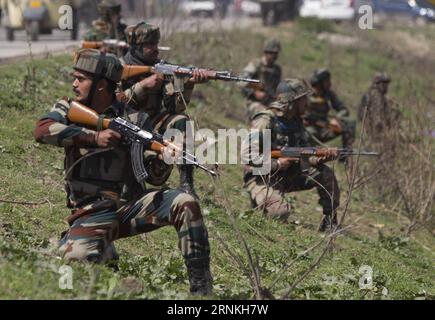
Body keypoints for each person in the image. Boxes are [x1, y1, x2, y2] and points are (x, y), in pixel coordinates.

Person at [33, 49, 213, 296]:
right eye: (75, 77)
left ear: (100, 86)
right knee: (77, 260)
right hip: (91, 211)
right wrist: (94, 136)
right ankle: (92, 249)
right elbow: (42, 131)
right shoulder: (68, 108)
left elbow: (153, 178)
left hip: (129, 208)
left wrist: (166, 158)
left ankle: (201, 289)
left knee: (185, 201)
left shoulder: (136, 119)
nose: (74, 83)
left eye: (81, 78)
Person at [120, 22, 209, 197]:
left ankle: (186, 184)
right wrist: (143, 86)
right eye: (149, 45)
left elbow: (174, 107)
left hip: (152, 127)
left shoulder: (163, 67)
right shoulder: (120, 67)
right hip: (124, 127)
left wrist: (188, 84)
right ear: (136, 47)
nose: (155, 49)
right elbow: (114, 102)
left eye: (156, 43)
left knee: (181, 120)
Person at [242, 79, 340, 232]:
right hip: (261, 177)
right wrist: (278, 164)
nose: (307, 103)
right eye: (303, 99)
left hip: (288, 175)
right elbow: (248, 156)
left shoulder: (296, 122)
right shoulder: (265, 120)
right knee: (280, 213)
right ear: (292, 101)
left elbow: (304, 153)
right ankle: (262, 203)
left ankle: (329, 222)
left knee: (326, 174)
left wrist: (321, 157)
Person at [304, 69, 356, 161]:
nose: (329, 83)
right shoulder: (306, 95)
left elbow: (343, 109)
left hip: (326, 127)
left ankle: (344, 158)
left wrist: (336, 119)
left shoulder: (328, 94)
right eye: (327, 81)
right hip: (310, 129)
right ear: (320, 83)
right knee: (305, 136)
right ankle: (309, 159)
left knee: (349, 124)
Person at [239, 39, 282, 122]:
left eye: (276, 54)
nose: (274, 56)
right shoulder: (256, 64)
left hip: (271, 103)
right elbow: (241, 81)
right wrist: (254, 92)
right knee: (266, 116)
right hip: (254, 104)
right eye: (271, 53)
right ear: (265, 52)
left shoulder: (277, 69)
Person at [358, 72, 401, 140]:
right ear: (378, 84)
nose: (386, 86)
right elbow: (377, 119)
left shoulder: (376, 94)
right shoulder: (376, 96)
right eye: (384, 83)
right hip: (375, 133)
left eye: (387, 84)